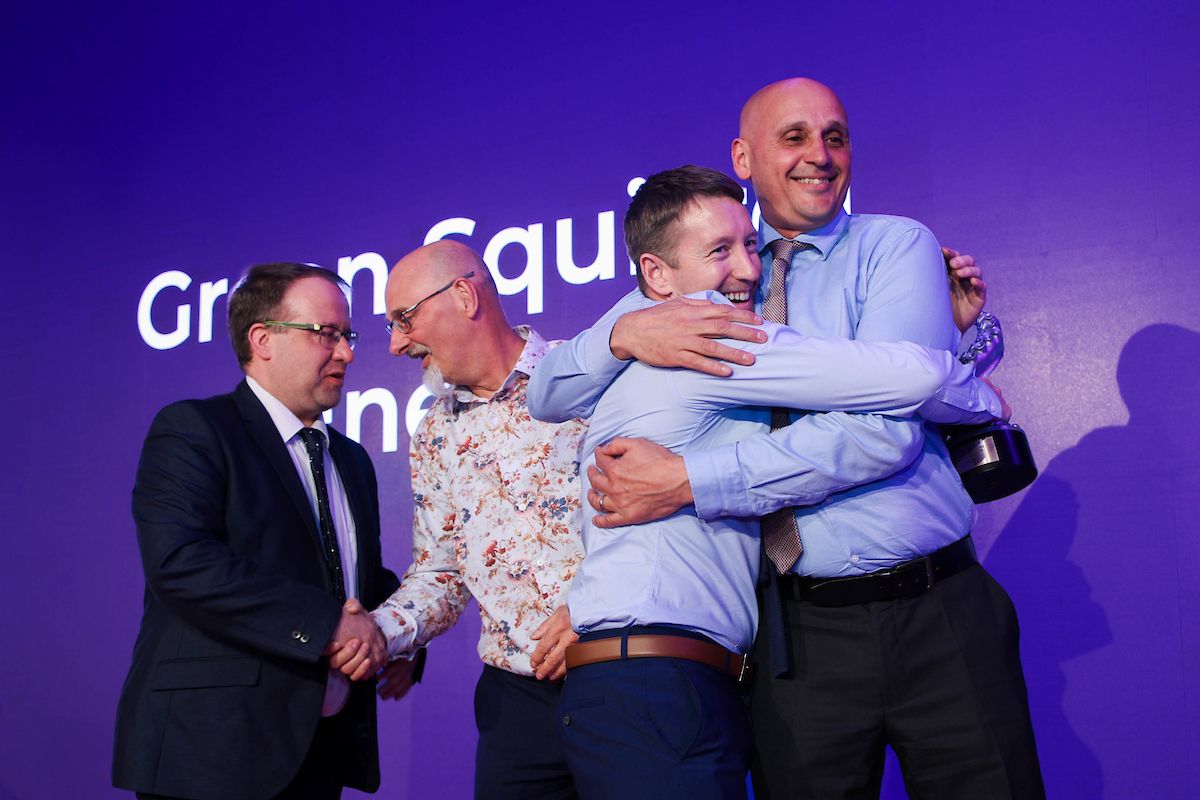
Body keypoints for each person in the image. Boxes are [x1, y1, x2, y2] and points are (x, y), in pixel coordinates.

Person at [528, 79, 1044, 799]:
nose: (820, 155)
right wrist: (620, 333)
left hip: (938, 610)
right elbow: (547, 389)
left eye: (836, 136)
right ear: (744, 158)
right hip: (793, 636)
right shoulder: (704, 279)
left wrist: (691, 481)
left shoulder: (894, 245)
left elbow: (884, 437)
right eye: (794, 137)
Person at [113, 263, 400, 800]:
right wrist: (329, 625)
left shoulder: (353, 460)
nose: (347, 353)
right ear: (263, 339)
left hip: (319, 749)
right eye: (326, 333)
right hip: (212, 752)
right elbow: (182, 562)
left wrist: (396, 635)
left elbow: (354, 579)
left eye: (348, 335)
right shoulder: (195, 430)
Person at [368, 240, 586, 799]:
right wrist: (376, 633)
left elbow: (657, 517)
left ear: (464, 296)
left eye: (403, 319)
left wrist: (596, 605)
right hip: (515, 708)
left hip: (620, 675)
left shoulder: (586, 375)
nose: (395, 344)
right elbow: (440, 575)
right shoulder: (434, 434)